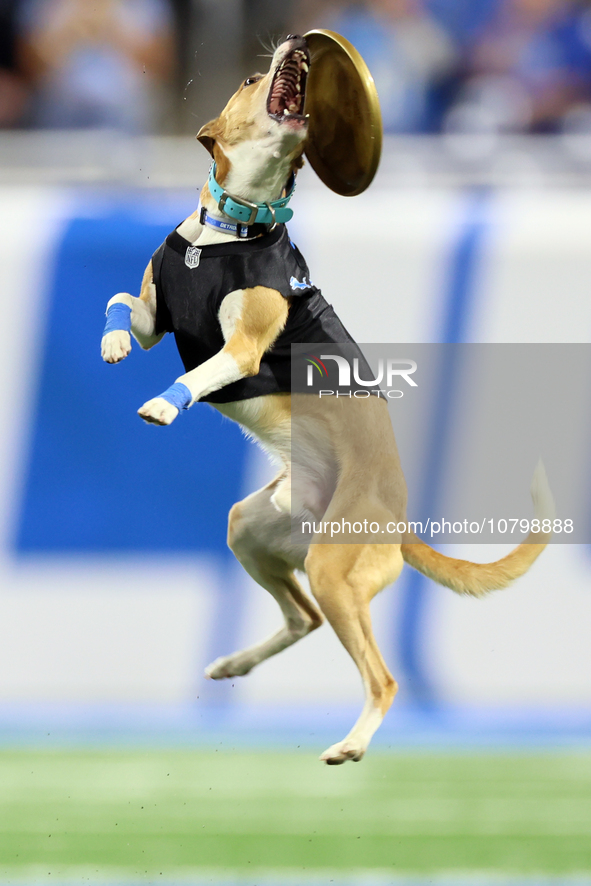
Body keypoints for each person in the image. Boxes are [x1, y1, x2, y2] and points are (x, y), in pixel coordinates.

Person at [17, 0, 175, 132]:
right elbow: (27, 71)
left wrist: (113, 27)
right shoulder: (43, 4)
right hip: (60, 110)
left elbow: (162, 67)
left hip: (125, 114)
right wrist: (69, 33)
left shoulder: (147, 5)